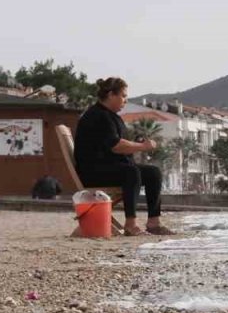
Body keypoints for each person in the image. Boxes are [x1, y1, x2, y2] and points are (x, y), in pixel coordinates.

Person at [74, 77, 173, 236]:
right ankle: (130, 224)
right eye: (123, 96)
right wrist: (143, 147)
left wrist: (136, 144)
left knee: (153, 172)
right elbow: (117, 146)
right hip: (94, 172)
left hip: (109, 168)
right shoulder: (99, 116)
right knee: (131, 172)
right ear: (111, 94)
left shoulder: (111, 116)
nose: (125, 100)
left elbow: (118, 143)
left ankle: (153, 222)